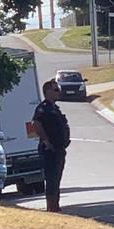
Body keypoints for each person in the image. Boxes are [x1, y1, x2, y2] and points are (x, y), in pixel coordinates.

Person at [31, 79, 70, 213]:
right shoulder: (43, 108)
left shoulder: (55, 108)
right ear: (48, 92)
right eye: (56, 90)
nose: (59, 92)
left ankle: (56, 206)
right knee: (52, 178)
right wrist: (46, 141)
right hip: (49, 150)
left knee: (57, 178)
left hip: (59, 150)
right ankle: (51, 207)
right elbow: (36, 124)